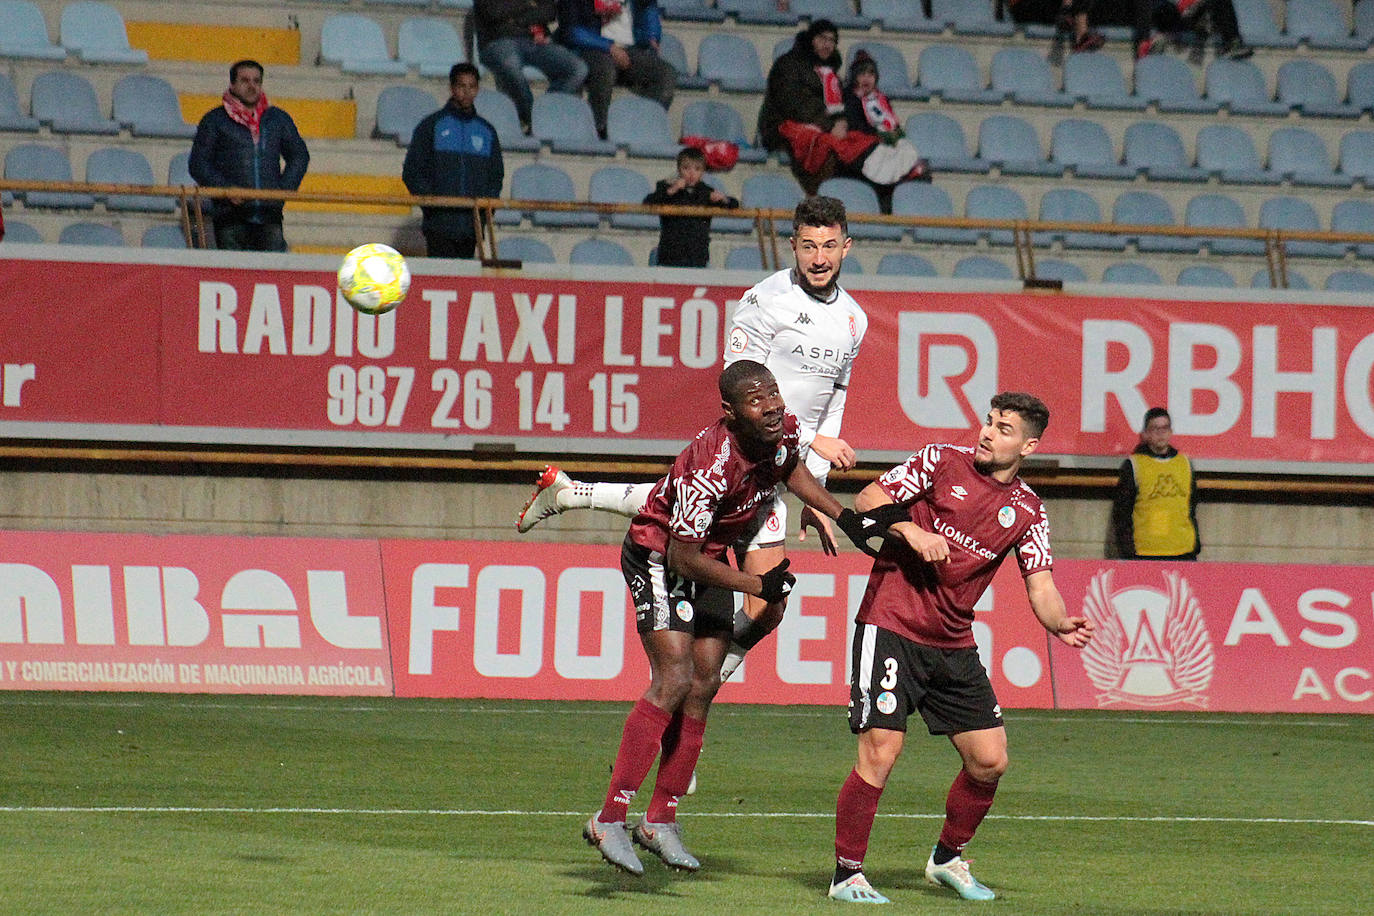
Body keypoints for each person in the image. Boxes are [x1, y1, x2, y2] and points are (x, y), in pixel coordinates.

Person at [518, 195, 866, 682]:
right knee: (685, 511)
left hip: (788, 468)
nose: (819, 257)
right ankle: (697, 692)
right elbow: (736, 379)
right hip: (747, 455)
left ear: (847, 247)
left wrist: (818, 477)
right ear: (792, 246)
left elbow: (836, 396)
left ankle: (573, 493)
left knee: (770, 609)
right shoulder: (764, 300)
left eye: (829, 245)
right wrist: (808, 438)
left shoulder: (854, 319)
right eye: (808, 246)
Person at [583, 359, 901, 876]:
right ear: (730, 412)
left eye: (773, 393)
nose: (773, 405)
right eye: (758, 400)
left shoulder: (780, 426)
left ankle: (660, 820)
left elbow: (790, 467)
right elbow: (682, 558)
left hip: (709, 556)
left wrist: (844, 517)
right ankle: (609, 817)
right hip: (660, 555)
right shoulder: (711, 466)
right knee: (674, 677)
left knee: (704, 684)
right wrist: (758, 584)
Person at [827, 392, 1096, 905]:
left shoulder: (1028, 510)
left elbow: (1040, 584)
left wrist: (1060, 621)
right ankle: (847, 874)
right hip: (891, 624)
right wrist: (908, 529)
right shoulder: (939, 461)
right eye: (990, 422)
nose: (989, 433)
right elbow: (868, 498)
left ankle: (947, 858)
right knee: (882, 750)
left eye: (1004, 428)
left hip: (952, 641)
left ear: (1029, 445)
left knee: (990, 760)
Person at [188, 59, 309, 252]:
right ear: (232, 84)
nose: (252, 86)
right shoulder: (215, 120)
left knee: (271, 274)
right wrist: (226, 190)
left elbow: (299, 156)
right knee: (233, 274)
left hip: (270, 216)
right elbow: (198, 164)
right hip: (230, 218)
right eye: (245, 80)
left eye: (256, 81)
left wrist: (282, 191)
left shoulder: (278, 119)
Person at [758, 19, 878, 196]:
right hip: (783, 127)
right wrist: (830, 125)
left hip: (823, 125)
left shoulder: (830, 72)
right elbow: (794, 104)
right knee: (827, 150)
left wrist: (842, 121)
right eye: (823, 39)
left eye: (832, 41)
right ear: (811, 39)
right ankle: (820, 199)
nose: (828, 45)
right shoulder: (788, 64)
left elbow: (837, 105)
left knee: (863, 146)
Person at [402, 63, 505, 259]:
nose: (467, 92)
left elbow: (496, 176)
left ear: (477, 89)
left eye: (472, 87)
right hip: (439, 227)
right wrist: (432, 206)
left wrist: (484, 213)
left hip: (471, 227)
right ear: (452, 88)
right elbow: (412, 171)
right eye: (461, 86)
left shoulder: (486, 130)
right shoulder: (431, 125)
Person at [555, 0, 676, 140]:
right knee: (604, 69)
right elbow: (572, 32)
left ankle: (645, 126)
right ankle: (599, 127)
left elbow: (649, 9)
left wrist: (653, 36)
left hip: (631, 49)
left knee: (666, 73)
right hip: (592, 47)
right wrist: (609, 47)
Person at [473, 0, 588, 135]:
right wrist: (529, 4)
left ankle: (543, 114)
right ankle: (530, 117)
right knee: (510, 65)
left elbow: (550, 11)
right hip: (499, 41)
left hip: (536, 42)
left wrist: (518, 19)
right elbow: (494, 12)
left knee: (578, 69)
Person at [840, 51, 930, 213]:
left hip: (885, 146)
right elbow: (855, 128)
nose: (867, 78)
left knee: (920, 169)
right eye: (862, 74)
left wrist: (893, 136)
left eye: (871, 74)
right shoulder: (849, 98)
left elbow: (892, 126)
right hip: (862, 150)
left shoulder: (881, 99)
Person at [1110, 406, 1201, 560]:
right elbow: (1122, 513)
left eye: (1165, 428)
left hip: (1182, 550)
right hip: (1146, 552)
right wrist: (1127, 551)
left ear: (1171, 432)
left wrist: (1195, 545)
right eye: (1155, 428)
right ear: (1145, 433)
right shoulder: (1134, 465)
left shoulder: (1184, 463)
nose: (1161, 433)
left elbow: (1192, 507)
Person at [644, 146, 739, 268]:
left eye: (697, 169)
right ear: (679, 169)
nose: (691, 173)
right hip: (670, 253)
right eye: (686, 168)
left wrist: (723, 199)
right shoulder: (666, 187)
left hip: (697, 254)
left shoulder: (705, 192)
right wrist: (672, 190)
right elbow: (648, 203)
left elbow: (734, 205)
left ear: (703, 172)